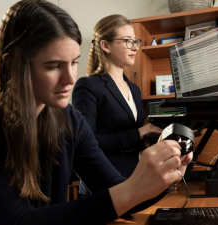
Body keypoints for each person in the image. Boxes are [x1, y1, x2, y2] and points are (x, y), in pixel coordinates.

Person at [0, 1, 192, 225]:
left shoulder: (70, 120)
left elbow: (116, 189)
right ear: (13, 64)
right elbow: (17, 221)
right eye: (53, 66)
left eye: (73, 62)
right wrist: (132, 190)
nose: (70, 78)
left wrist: (164, 177)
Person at [72, 15, 163, 191]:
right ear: (105, 45)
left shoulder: (134, 89)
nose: (135, 47)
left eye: (135, 40)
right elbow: (86, 142)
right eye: (127, 41)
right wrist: (140, 133)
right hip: (104, 180)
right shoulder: (88, 85)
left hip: (136, 176)